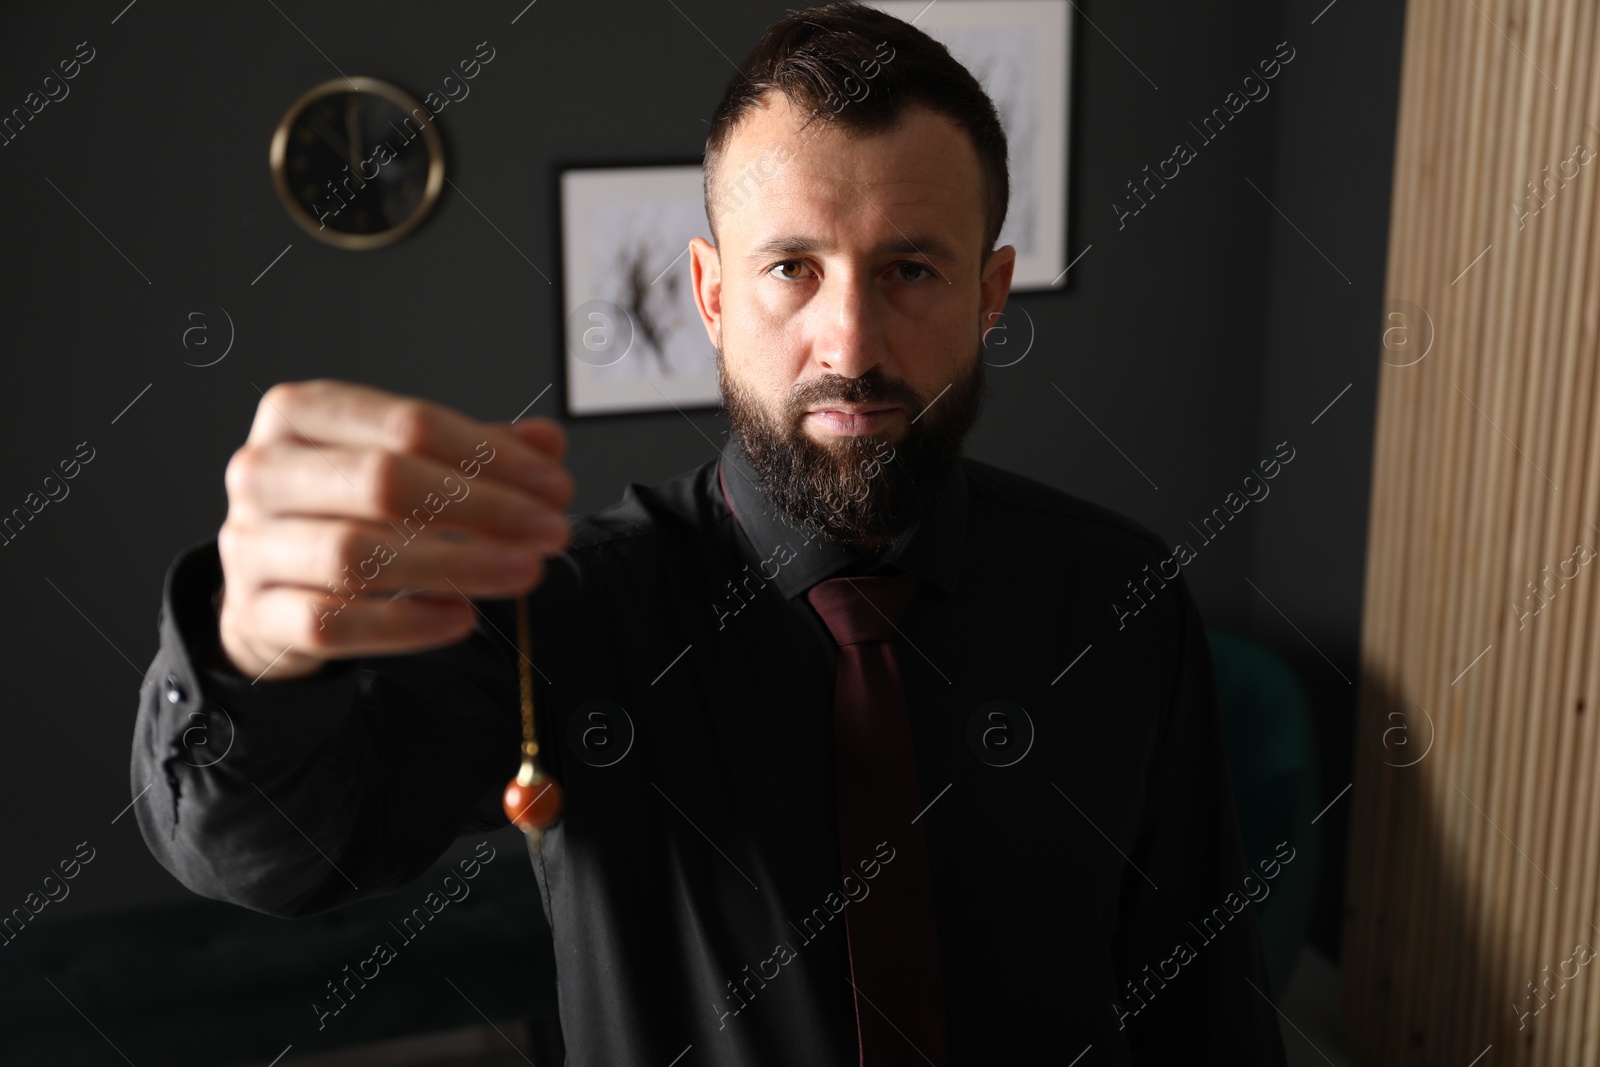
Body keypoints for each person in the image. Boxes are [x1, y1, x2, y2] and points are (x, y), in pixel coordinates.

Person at [130, 3, 1289, 1063]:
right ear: (713, 293)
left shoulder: (1119, 596)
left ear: (989, 293)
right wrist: (254, 658)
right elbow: (273, 852)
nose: (849, 343)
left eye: (911, 268)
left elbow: (1203, 1012)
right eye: (792, 266)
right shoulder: (565, 610)